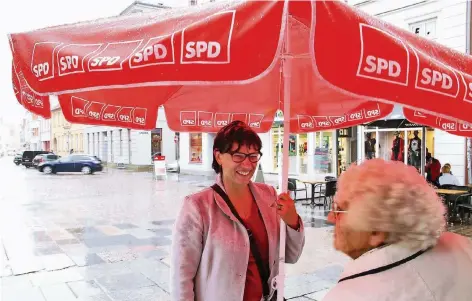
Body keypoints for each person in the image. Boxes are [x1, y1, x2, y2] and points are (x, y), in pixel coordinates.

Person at [171, 121, 305, 301]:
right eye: (238, 156)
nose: (248, 165)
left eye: (253, 156)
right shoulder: (198, 206)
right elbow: (182, 277)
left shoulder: (269, 196)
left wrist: (292, 221)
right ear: (218, 156)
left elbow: (291, 255)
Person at [323, 159, 472, 301]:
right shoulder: (463, 246)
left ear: (376, 229)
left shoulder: (348, 295)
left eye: (339, 210)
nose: (330, 218)